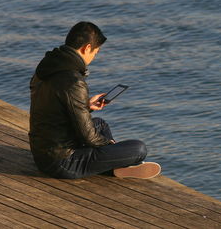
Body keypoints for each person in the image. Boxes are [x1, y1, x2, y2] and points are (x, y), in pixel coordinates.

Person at [29, 21, 161, 179]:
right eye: (95, 53)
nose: (93, 57)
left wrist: (86, 106)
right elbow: (88, 136)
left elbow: (52, 107)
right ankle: (114, 166)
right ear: (86, 48)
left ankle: (114, 167)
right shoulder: (73, 81)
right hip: (62, 162)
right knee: (139, 149)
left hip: (42, 152)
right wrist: (111, 146)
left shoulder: (47, 67)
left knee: (100, 123)